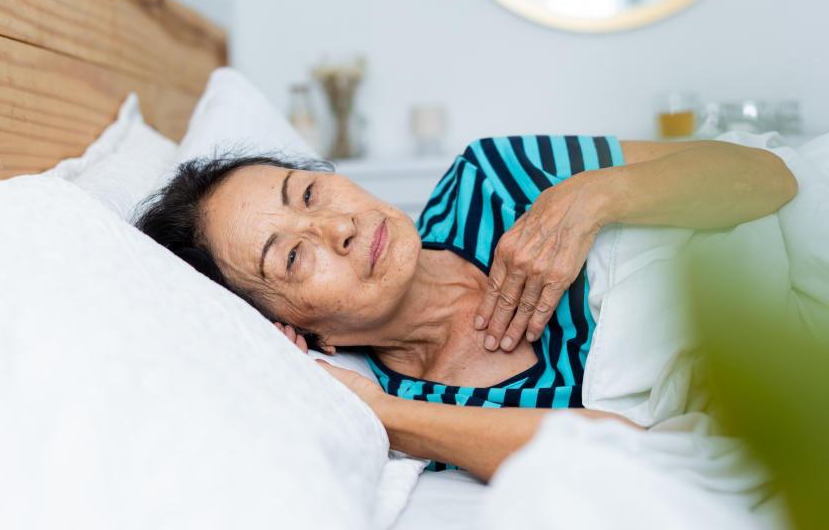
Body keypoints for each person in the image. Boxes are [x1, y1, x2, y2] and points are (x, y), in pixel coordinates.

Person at [136, 135, 796, 480]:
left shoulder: (493, 177)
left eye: (308, 193)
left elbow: (770, 178)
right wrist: (389, 417)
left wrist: (598, 196)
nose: (336, 227)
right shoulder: (438, 419)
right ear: (296, 328)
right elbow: (633, 461)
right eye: (292, 258)